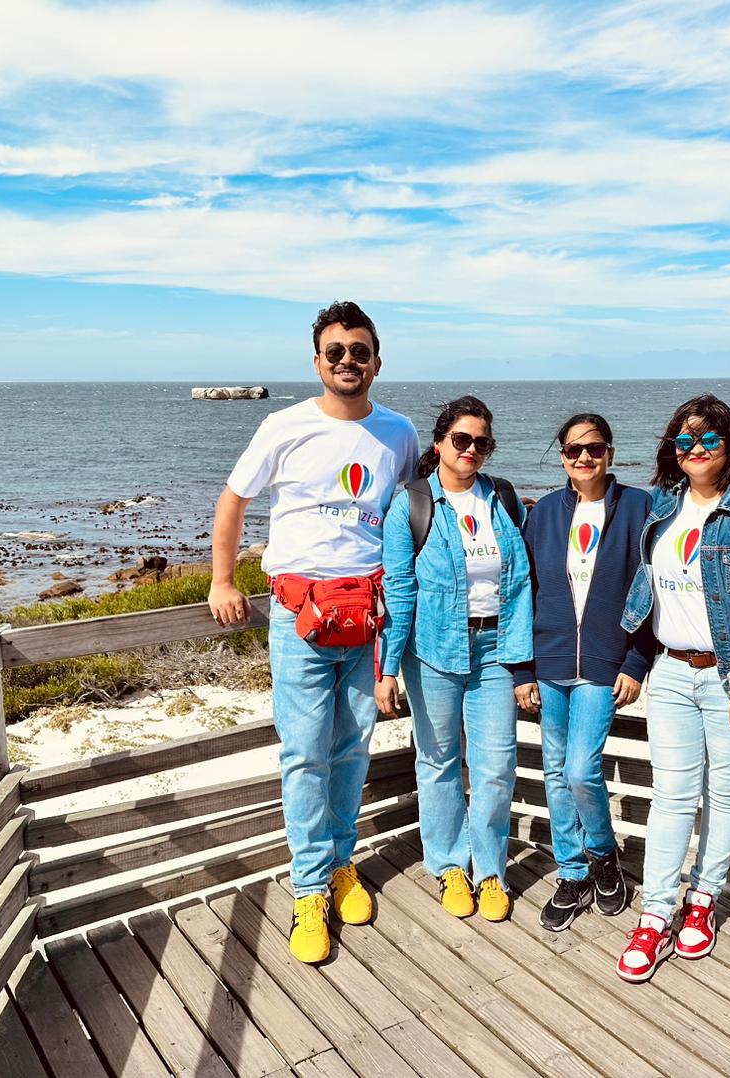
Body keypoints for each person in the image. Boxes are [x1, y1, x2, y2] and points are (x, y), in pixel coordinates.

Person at [209, 300, 419, 964]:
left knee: (353, 747)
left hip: (368, 616)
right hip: (297, 616)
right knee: (304, 752)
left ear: (377, 361)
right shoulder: (284, 425)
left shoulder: (399, 432)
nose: (348, 361)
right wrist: (222, 580)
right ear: (318, 361)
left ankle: (340, 863)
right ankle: (307, 891)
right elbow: (234, 500)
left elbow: (416, 508)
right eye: (336, 351)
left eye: (360, 350)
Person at [615, 394, 730, 982]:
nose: (695, 451)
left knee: (725, 792)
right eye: (683, 441)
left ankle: (703, 899)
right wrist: (636, 663)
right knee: (670, 796)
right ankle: (655, 910)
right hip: (669, 671)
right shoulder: (662, 507)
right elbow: (650, 594)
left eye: (708, 440)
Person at [377, 396, 532, 923]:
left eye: (481, 442)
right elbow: (398, 589)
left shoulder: (504, 500)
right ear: (439, 443)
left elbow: (526, 582)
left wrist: (524, 661)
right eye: (461, 440)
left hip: (496, 651)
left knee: (495, 766)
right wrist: (388, 667)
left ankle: (490, 871)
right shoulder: (413, 505)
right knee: (439, 762)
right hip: (433, 652)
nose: (470, 450)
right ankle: (448, 866)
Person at [512, 413, 654, 931]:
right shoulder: (545, 512)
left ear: (610, 452)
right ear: (562, 457)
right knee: (554, 770)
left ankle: (603, 854)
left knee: (579, 769)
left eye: (593, 449)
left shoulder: (641, 508)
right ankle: (571, 872)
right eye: (572, 451)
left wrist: (637, 661)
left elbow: (650, 591)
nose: (584, 459)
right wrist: (522, 670)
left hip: (603, 665)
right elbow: (524, 594)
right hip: (547, 663)